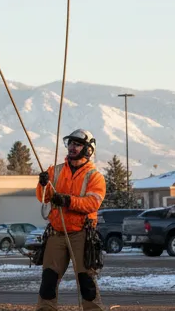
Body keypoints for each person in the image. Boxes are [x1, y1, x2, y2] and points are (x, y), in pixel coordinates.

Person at [34, 129, 106, 311]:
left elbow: (92, 203)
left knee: (86, 281)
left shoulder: (94, 176)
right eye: (71, 143)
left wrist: (68, 200)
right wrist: (42, 184)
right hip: (56, 233)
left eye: (77, 144)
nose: (72, 147)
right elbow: (43, 197)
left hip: (82, 234)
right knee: (48, 279)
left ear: (89, 149)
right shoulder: (55, 171)